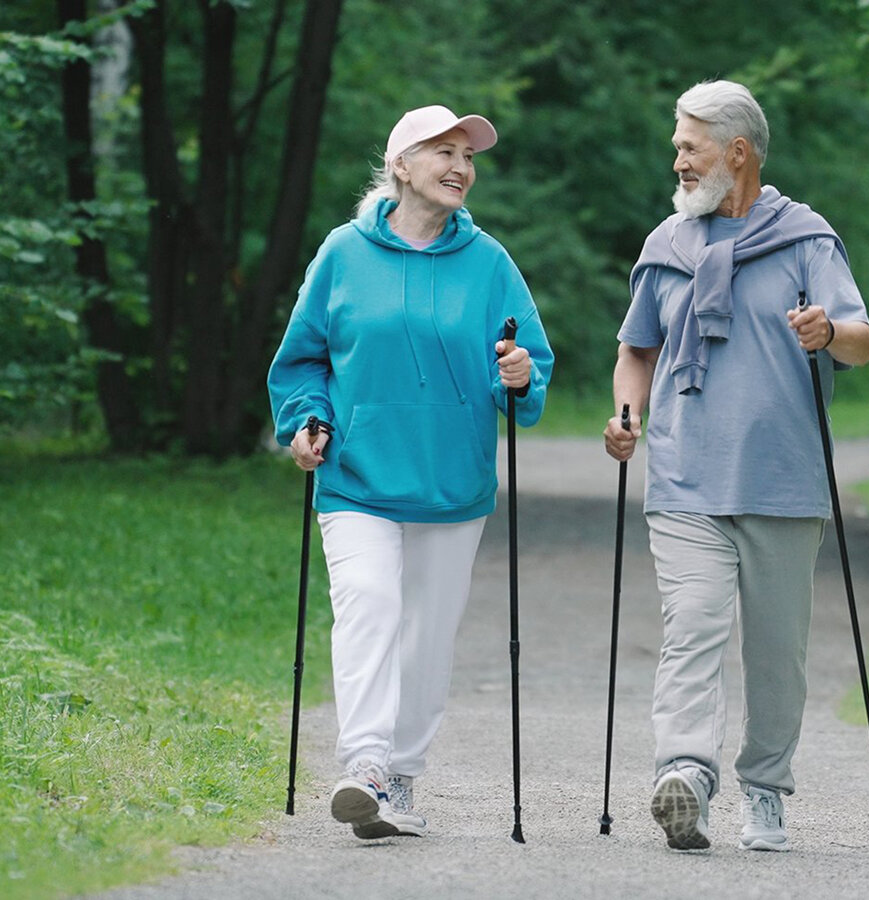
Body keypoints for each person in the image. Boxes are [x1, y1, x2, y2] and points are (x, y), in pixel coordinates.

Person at [267, 104, 554, 841]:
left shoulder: (489, 262)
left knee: (427, 635)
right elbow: (303, 359)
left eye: (468, 155)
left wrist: (518, 375)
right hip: (357, 474)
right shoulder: (342, 252)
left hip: (451, 483)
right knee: (368, 601)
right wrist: (306, 420)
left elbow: (528, 370)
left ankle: (399, 778)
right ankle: (363, 766)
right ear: (400, 165)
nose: (461, 166)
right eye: (443, 151)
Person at [603, 80, 869, 853]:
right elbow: (637, 350)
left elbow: (861, 340)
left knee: (776, 654)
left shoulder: (806, 241)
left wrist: (827, 332)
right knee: (690, 627)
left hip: (783, 481)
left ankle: (765, 789)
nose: (679, 160)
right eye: (678, 148)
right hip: (685, 476)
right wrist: (628, 415)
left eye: (690, 147)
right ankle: (685, 774)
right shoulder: (668, 245)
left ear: (738, 152)